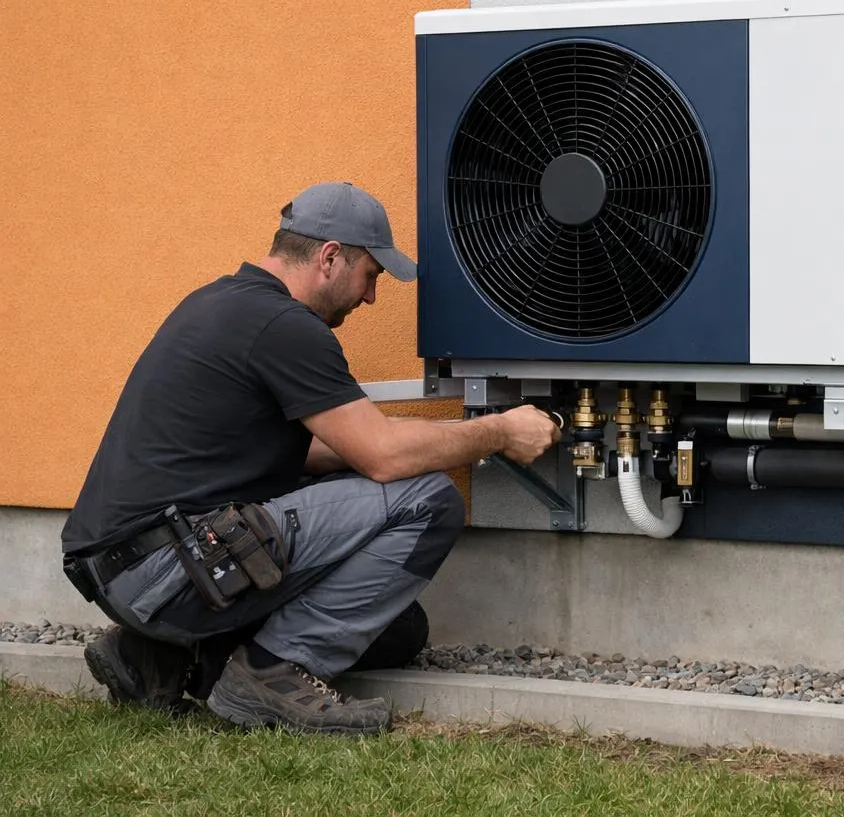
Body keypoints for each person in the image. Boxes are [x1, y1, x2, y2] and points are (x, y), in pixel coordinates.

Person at [59, 181, 561, 734]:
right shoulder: (286, 327)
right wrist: (500, 431)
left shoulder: (219, 302)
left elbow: (318, 449)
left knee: (398, 632)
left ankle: (156, 656)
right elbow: (383, 456)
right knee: (429, 499)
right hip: (166, 571)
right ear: (329, 258)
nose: (370, 297)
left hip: (125, 570)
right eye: (371, 275)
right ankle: (270, 676)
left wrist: (367, 453)